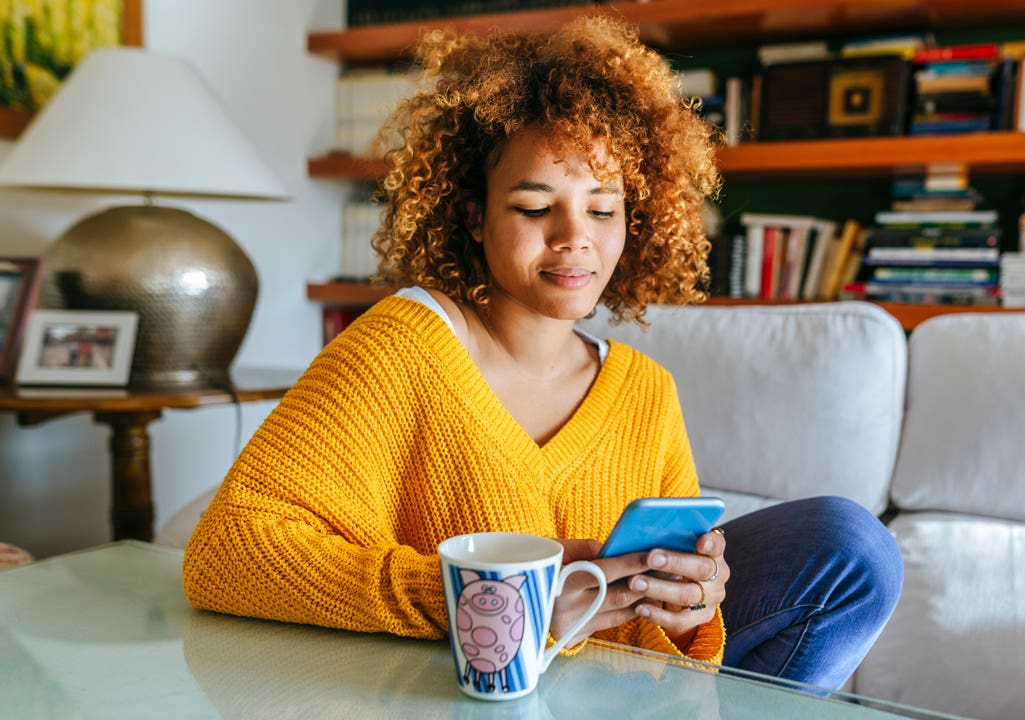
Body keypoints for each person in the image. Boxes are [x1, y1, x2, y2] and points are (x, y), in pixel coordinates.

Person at [182, 15, 902, 689]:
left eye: (602, 207)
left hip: (616, 694)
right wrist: (493, 605)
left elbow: (679, 636)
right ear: (472, 213)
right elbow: (225, 554)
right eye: (534, 207)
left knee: (849, 548)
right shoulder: (398, 348)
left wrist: (694, 605)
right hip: (459, 689)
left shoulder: (644, 391)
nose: (574, 238)